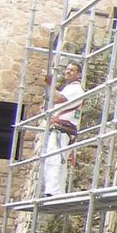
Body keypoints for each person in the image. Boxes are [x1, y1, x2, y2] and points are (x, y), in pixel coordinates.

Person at [39, 61, 85, 196]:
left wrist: (51, 85)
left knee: (54, 159)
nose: (68, 71)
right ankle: (57, 191)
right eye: (67, 69)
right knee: (59, 160)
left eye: (72, 70)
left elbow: (59, 99)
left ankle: (52, 191)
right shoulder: (70, 88)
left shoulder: (76, 89)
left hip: (62, 130)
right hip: (63, 130)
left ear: (79, 74)